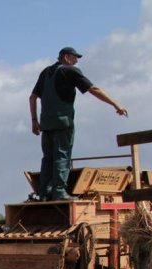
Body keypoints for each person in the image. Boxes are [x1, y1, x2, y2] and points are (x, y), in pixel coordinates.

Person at [29, 47, 128, 201]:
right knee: (62, 156)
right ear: (66, 57)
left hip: (46, 124)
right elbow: (93, 89)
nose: (76, 61)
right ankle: (59, 191)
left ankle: (44, 194)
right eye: (75, 57)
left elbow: (32, 97)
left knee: (48, 158)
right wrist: (116, 104)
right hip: (63, 122)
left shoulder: (46, 72)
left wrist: (34, 121)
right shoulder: (70, 71)